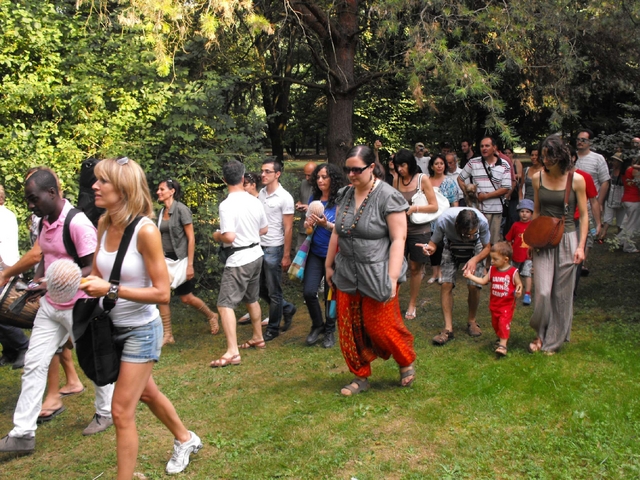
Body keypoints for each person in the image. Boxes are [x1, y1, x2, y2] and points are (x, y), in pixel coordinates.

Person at [81, 157, 202, 477]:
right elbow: (96, 274)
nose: (94, 186)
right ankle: (186, 439)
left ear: (123, 189)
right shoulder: (104, 223)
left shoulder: (145, 231)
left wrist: (110, 289)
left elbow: (163, 293)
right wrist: (69, 283)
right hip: (110, 329)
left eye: (102, 181)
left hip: (141, 330)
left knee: (120, 411)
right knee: (147, 392)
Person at [0, 169, 114, 455]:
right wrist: (38, 281)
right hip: (51, 305)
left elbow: (93, 267)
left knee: (93, 362)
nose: (30, 205)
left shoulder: (77, 223)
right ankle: (22, 434)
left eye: (33, 199)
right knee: (35, 363)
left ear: (51, 193)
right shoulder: (42, 221)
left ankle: (105, 412)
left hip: (79, 305)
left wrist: (53, 281)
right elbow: (45, 257)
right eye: (28, 200)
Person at [326, 145, 415, 396]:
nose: (351, 175)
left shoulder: (388, 196)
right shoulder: (344, 194)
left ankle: (405, 359)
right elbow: (337, 231)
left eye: (357, 170)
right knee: (348, 325)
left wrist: (392, 278)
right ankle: (360, 376)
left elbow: (399, 239)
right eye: (348, 170)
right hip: (346, 271)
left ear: (372, 167)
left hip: (378, 272)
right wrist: (328, 265)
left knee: (380, 326)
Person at [528, 135, 588, 355]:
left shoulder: (576, 180)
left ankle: (553, 340)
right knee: (543, 291)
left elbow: (584, 216)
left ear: (560, 155)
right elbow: (535, 210)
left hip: (568, 238)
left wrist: (581, 246)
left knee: (562, 295)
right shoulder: (537, 178)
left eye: (549, 155)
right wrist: (530, 239)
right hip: (543, 238)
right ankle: (540, 332)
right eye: (543, 155)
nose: (545, 159)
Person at [211, 160, 268, 365]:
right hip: (256, 254)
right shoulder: (255, 200)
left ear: (225, 179)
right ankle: (258, 337)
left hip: (239, 259)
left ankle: (232, 351)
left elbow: (229, 236)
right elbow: (264, 230)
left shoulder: (226, 205)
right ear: (243, 178)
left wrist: (217, 235)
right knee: (251, 298)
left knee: (224, 304)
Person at [156, 178, 219, 345]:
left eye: (162, 189)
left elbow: (191, 238)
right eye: (158, 189)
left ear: (172, 191)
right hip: (164, 260)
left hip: (181, 260)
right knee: (163, 296)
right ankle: (168, 334)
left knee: (186, 297)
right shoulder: (161, 213)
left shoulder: (182, 210)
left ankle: (211, 315)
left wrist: (190, 265)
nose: (158, 192)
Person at [419, 207, 491, 344]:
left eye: (471, 233)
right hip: (451, 245)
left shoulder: (482, 222)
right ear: (456, 225)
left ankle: (472, 321)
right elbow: (433, 243)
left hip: (476, 248)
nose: (467, 237)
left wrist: (475, 260)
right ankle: (448, 329)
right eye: (465, 234)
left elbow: (488, 247)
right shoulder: (444, 220)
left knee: (473, 286)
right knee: (446, 284)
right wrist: (429, 249)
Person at [392, 149, 438, 319]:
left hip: (420, 229)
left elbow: (434, 206)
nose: (400, 169)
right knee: (396, 266)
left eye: (402, 165)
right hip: (399, 230)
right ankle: (392, 300)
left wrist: (414, 208)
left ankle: (412, 303)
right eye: (397, 166)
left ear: (410, 163)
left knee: (415, 267)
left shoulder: (422, 179)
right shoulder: (396, 180)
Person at [303, 164, 345, 348]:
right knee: (309, 291)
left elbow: (343, 229)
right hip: (316, 252)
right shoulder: (314, 199)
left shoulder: (340, 201)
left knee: (331, 294)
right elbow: (309, 228)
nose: (320, 180)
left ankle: (329, 330)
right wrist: (308, 224)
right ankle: (317, 325)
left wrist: (325, 224)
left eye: (324, 177)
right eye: (318, 177)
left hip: (334, 254)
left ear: (332, 180)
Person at [258, 158, 297, 341]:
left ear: (277, 174)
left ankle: (272, 328)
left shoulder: (285, 197)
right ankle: (287, 308)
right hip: (258, 245)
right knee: (258, 287)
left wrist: (286, 255)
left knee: (274, 290)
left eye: (267, 172)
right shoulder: (261, 193)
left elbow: (288, 228)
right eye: (262, 171)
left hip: (275, 247)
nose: (263, 175)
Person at [463, 242, 522, 356]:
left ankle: (503, 346)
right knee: (496, 324)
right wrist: (470, 276)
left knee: (503, 322)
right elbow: (483, 281)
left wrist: (519, 290)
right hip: (495, 304)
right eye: (492, 258)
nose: (492, 261)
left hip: (507, 305)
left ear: (506, 259)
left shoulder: (512, 272)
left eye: (495, 259)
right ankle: (500, 339)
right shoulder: (492, 270)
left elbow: (519, 284)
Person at [458, 137, 511, 254]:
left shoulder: (504, 164)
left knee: (493, 241)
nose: (484, 148)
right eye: (482, 146)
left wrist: (486, 196)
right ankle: (479, 266)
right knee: (479, 241)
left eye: (487, 146)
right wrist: (469, 194)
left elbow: (506, 188)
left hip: (496, 210)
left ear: (494, 148)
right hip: (478, 210)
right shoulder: (473, 162)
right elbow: (460, 178)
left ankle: (490, 266)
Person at [575, 128, 610, 276]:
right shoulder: (571, 157)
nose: (580, 142)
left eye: (584, 140)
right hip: (572, 203)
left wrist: (599, 201)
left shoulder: (597, 158)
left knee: (588, 233)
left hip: (590, 203)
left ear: (590, 142)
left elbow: (605, 182)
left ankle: (582, 263)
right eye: (578, 139)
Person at [426, 154, 459, 284]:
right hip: (429, 219)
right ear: (432, 166)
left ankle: (441, 273)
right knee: (432, 245)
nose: (439, 166)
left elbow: (454, 202)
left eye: (441, 163)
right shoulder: (426, 181)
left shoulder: (450, 182)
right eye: (436, 164)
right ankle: (434, 273)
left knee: (443, 246)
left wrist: (454, 218)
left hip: (445, 219)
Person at [505, 199, 534, 305]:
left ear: (531, 213)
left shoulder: (533, 226)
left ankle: (527, 293)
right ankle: (514, 289)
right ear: (518, 212)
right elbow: (508, 239)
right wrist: (510, 249)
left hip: (528, 256)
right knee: (514, 273)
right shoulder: (515, 225)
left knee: (527, 274)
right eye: (522, 211)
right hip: (515, 254)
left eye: (527, 212)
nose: (524, 214)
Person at [598, 154, 626, 241]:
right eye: (613, 160)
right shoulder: (610, 171)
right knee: (608, 217)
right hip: (610, 197)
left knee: (621, 218)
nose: (613, 162)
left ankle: (620, 237)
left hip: (621, 197)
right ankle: (603, 234)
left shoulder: (623, 173)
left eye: (615, 160)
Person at [617, 159, 640, 253]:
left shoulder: (625, 170)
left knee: (628, 223)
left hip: (627, 198)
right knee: (633, 224)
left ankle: (619, 241)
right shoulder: (634, 170)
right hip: (634, 200)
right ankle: (628, 247)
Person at [294, 162, 317, 251]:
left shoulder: (321, 184)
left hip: (316, 227)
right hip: (303, 226)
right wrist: (299, 204)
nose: (307, 178)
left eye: (309, 175)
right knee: (299, 252)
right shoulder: (304, 183)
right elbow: (301, 198)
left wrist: (310, 208)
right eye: (305, 175)